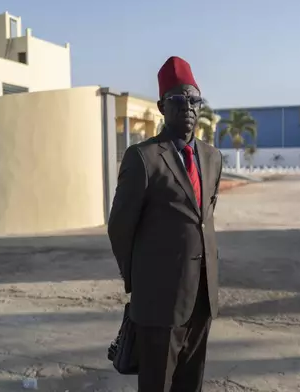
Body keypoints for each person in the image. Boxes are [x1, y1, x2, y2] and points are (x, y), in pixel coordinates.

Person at [108, 56, 223, 392]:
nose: (188, 106)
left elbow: (205, 216)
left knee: (191, 383)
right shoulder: (143, 157)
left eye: (194, 99)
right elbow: (120, 227)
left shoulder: (212, 157)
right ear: (162, 107)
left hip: (202, 294)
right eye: (178, 100)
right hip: (159, 300)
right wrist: (139, 282)